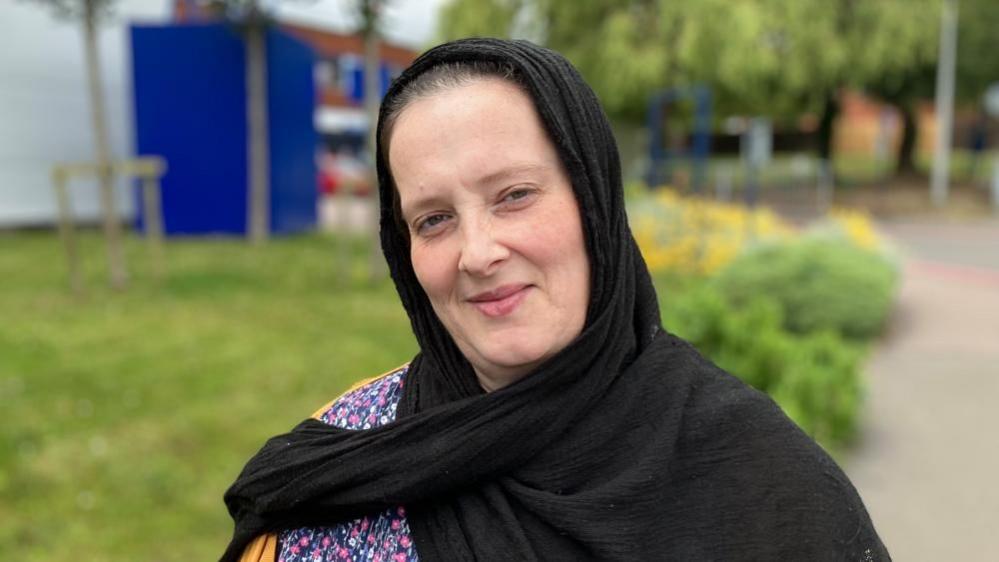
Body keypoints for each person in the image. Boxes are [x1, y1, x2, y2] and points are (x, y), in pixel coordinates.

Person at [221, 38, 888, 562]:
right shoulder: (337, 471)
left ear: (592, 201)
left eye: (513, 195)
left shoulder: (769, 486)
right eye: (432, 220)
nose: (476, 253)